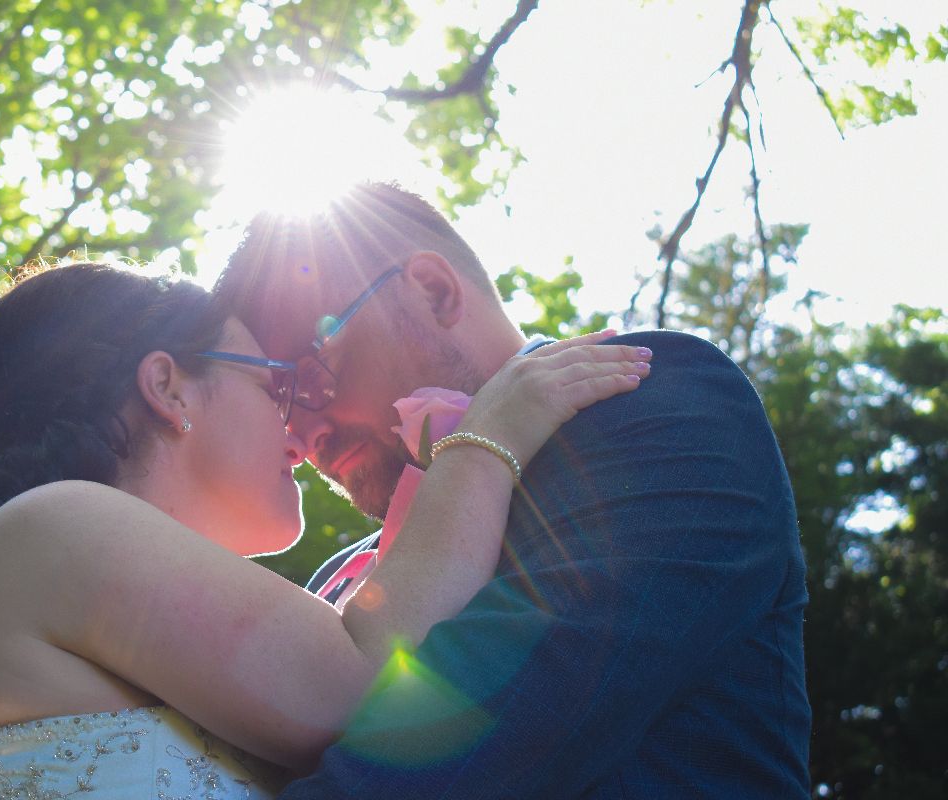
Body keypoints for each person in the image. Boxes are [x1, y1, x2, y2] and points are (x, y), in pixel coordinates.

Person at [0, 260, 651, 800]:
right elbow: (360, 689)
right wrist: (486, 439)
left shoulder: (44, 575)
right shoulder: (52, 526)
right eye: (274, 386)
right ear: (166, 387)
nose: (299, 433)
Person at [214, 181, 812, 798]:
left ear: (433, 292)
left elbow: (477, 752)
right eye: (279, 404)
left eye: (308, 375)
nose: (306, 435)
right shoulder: (339, 578)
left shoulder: (652, 406)